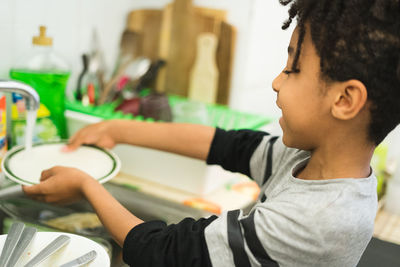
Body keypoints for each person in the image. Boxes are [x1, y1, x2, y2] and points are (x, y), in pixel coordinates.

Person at [23, 0, 400, 266]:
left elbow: (163, 253)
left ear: (345, 99)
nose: (276, 82)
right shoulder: (311, 160)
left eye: (293, 69)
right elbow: (225, 144)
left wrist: (88, 186)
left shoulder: (318, 221)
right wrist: (118, 129)